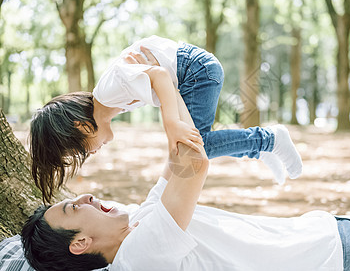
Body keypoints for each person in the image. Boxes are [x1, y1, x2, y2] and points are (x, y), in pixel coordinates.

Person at [22, 89, 350, 271]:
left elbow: (181, 156)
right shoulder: (139, 257)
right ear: (80, 244)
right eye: (74, 207)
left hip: (332, 235)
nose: (88, 195)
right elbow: (194, 162)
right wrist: (160, 82)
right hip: (342, 256)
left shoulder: (143, 219)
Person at [30, 35, 303, 203]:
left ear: (82, 126)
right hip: (192, 73)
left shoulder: (108, 92)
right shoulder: (112, 100)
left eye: (82, 149)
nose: (92, 152)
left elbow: (160, 76)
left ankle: (268, 140)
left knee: (195, 146)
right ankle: (259, 148)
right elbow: (157, 76)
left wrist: (171, 124)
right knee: (193, 148)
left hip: (195, 71)